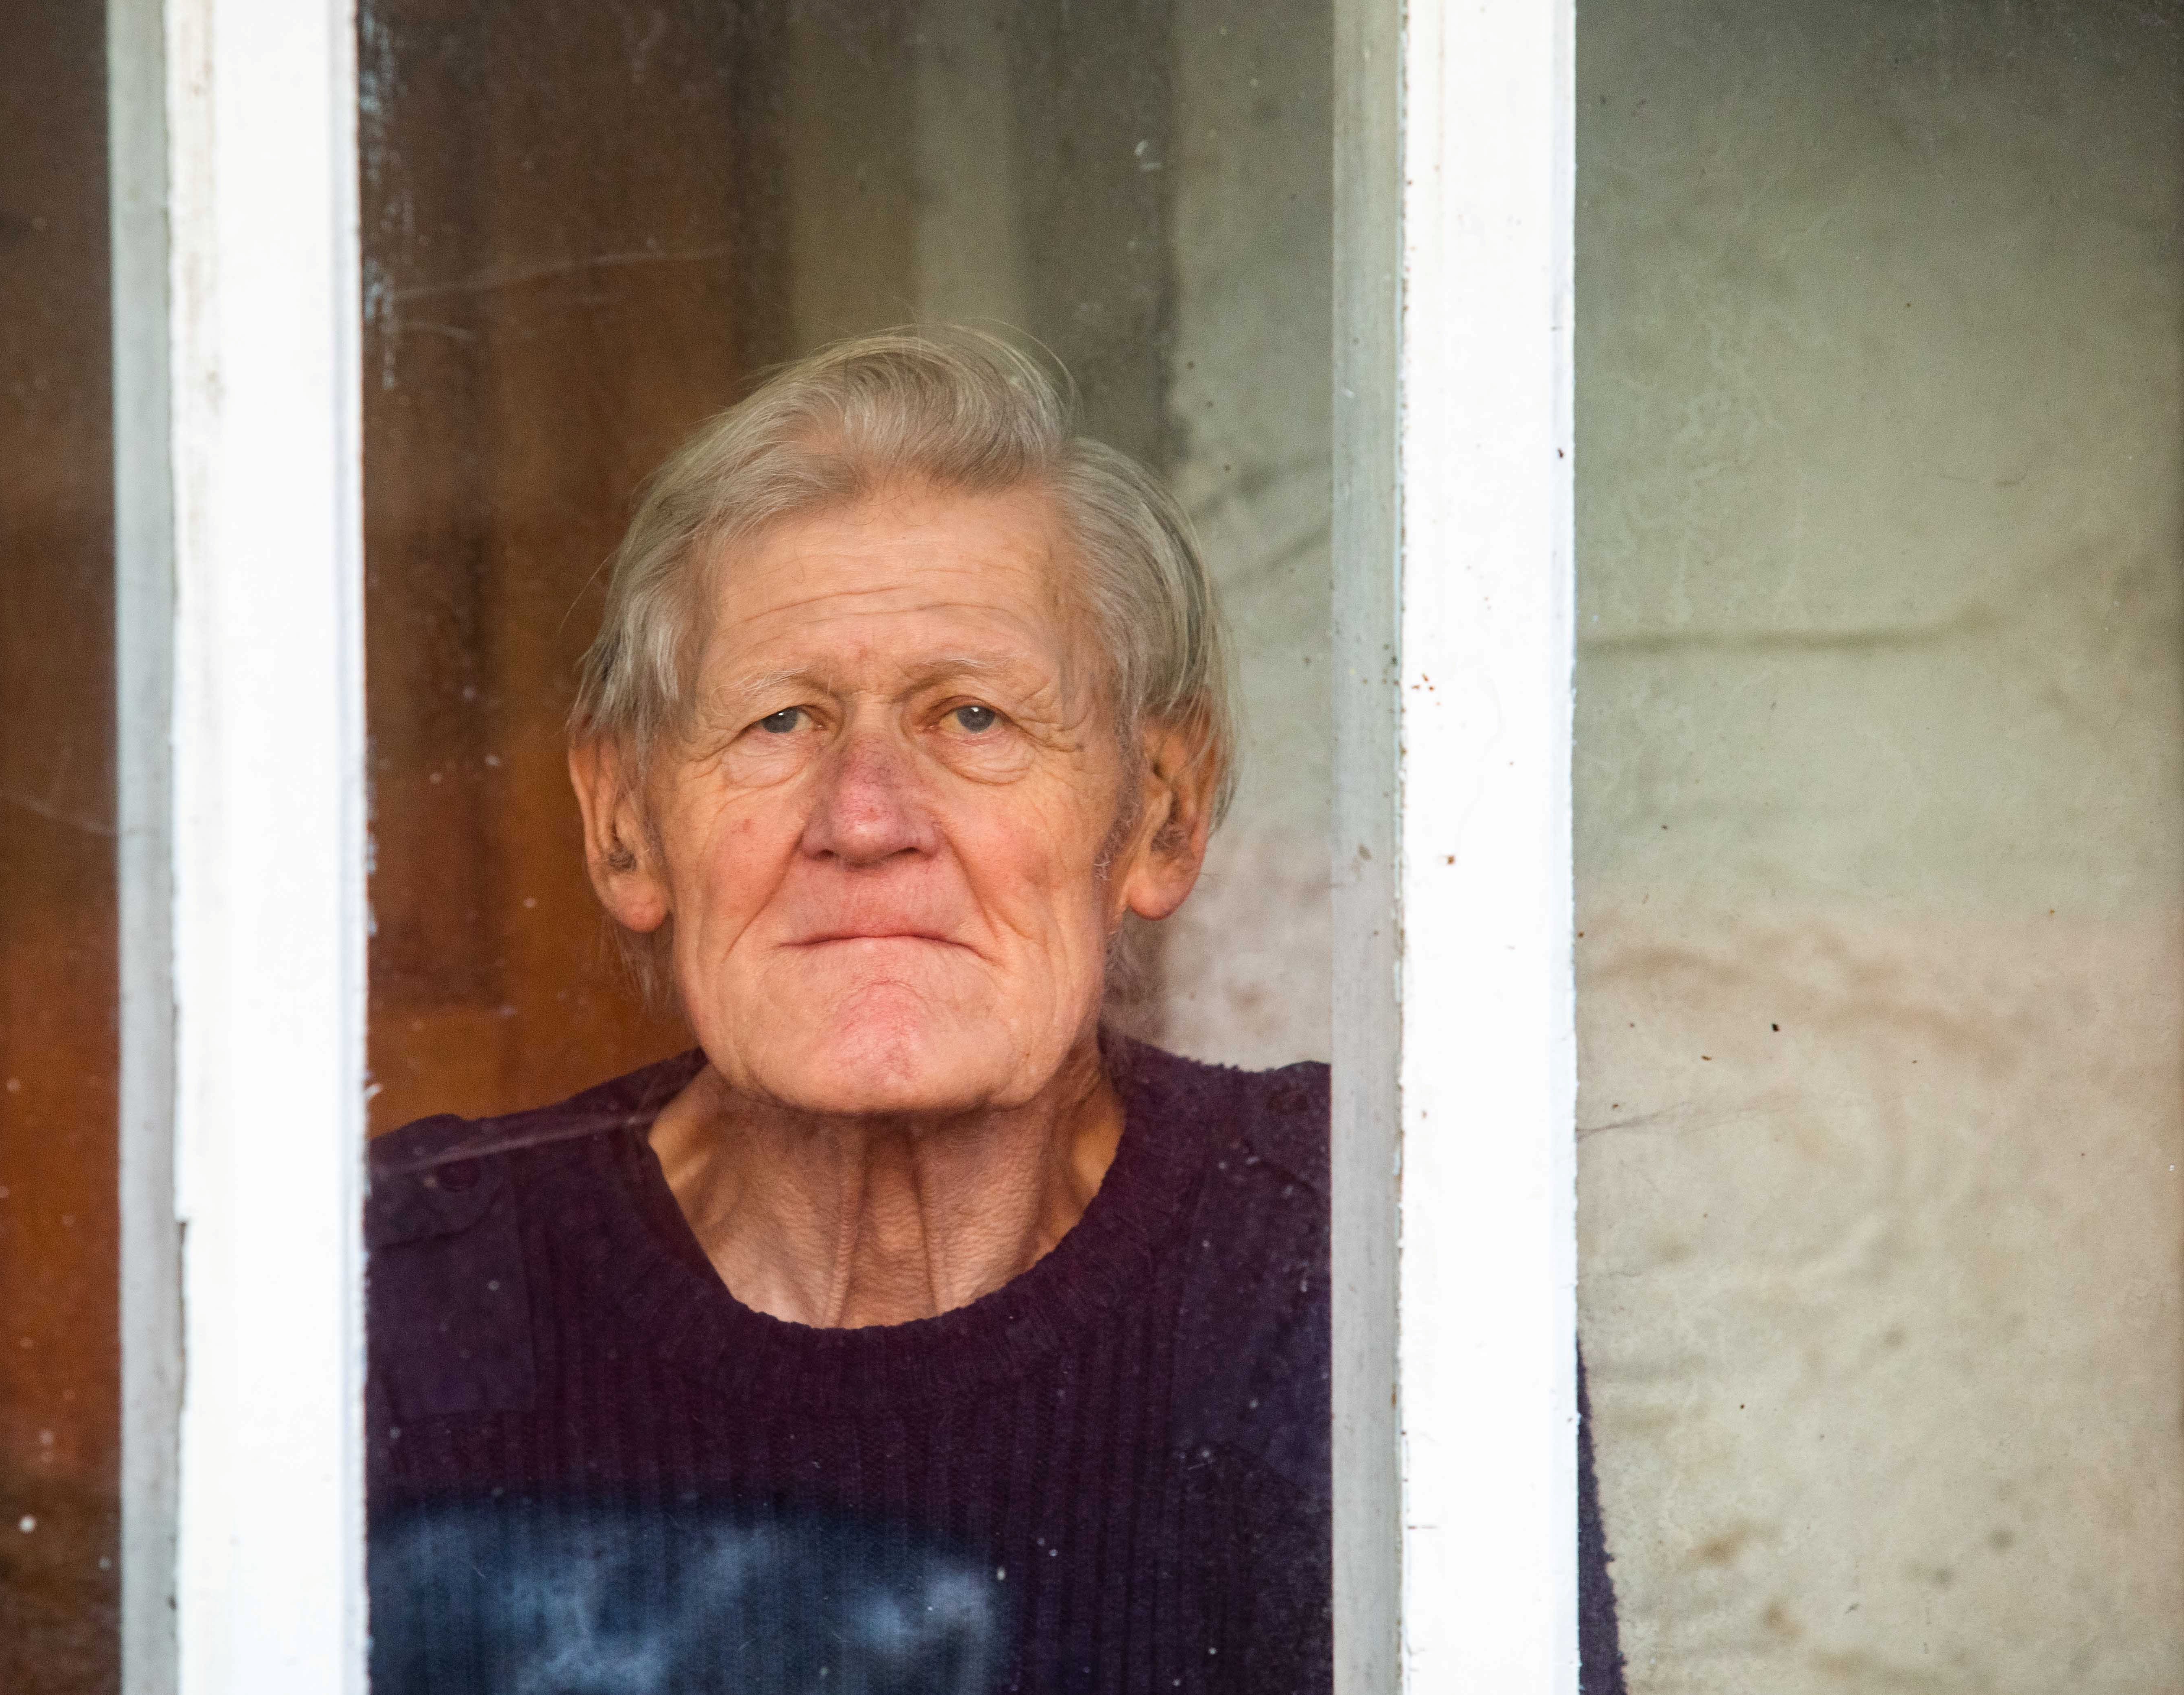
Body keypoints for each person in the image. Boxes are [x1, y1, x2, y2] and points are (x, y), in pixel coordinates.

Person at [365, 328, 1622, 1693]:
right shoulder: (414, 1285)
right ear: (624, 827)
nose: (865, 818)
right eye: (780, 721)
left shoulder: (1339, 1254)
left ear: (1160, 812)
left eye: (972, 718)